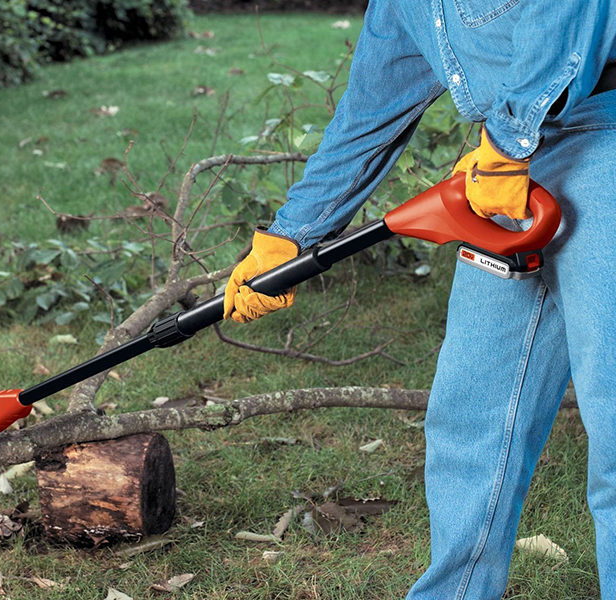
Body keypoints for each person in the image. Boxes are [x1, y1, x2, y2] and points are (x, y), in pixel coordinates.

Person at [222, 1, 616, 598]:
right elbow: (371, 109)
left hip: (594, 141)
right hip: (500, 170)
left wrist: (510, 140)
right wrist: (292, 234)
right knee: (470, 416)